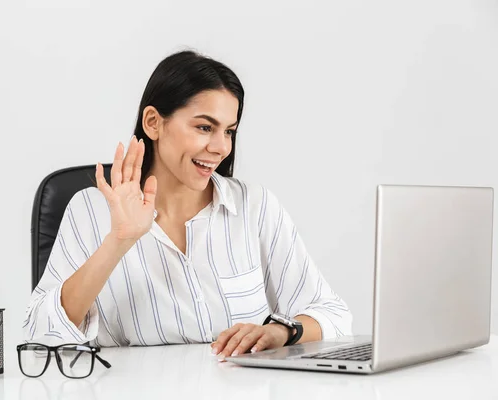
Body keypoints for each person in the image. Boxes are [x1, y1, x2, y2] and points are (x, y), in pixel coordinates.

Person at [23, 50, 352, 360]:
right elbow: (40, 337)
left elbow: (333, 315)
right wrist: (117, 242)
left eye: (229, 131)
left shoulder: (255, 206)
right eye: (204, 127)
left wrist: (282, 332)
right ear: (153, 122)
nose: (221, 147)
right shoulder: (90, 210)